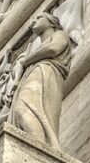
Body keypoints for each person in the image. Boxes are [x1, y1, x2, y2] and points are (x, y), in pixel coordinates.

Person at [8, 13, 73, 150]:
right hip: (34, 75)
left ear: (52, 22)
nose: (34, 21)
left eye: (39, 18)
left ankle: (40, 150)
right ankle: (38, 148)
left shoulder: (60, 34)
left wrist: (26, 60)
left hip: (45, 73)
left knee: (24, 109)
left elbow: (53, 49)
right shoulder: (34, 49)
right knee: (22, 113)